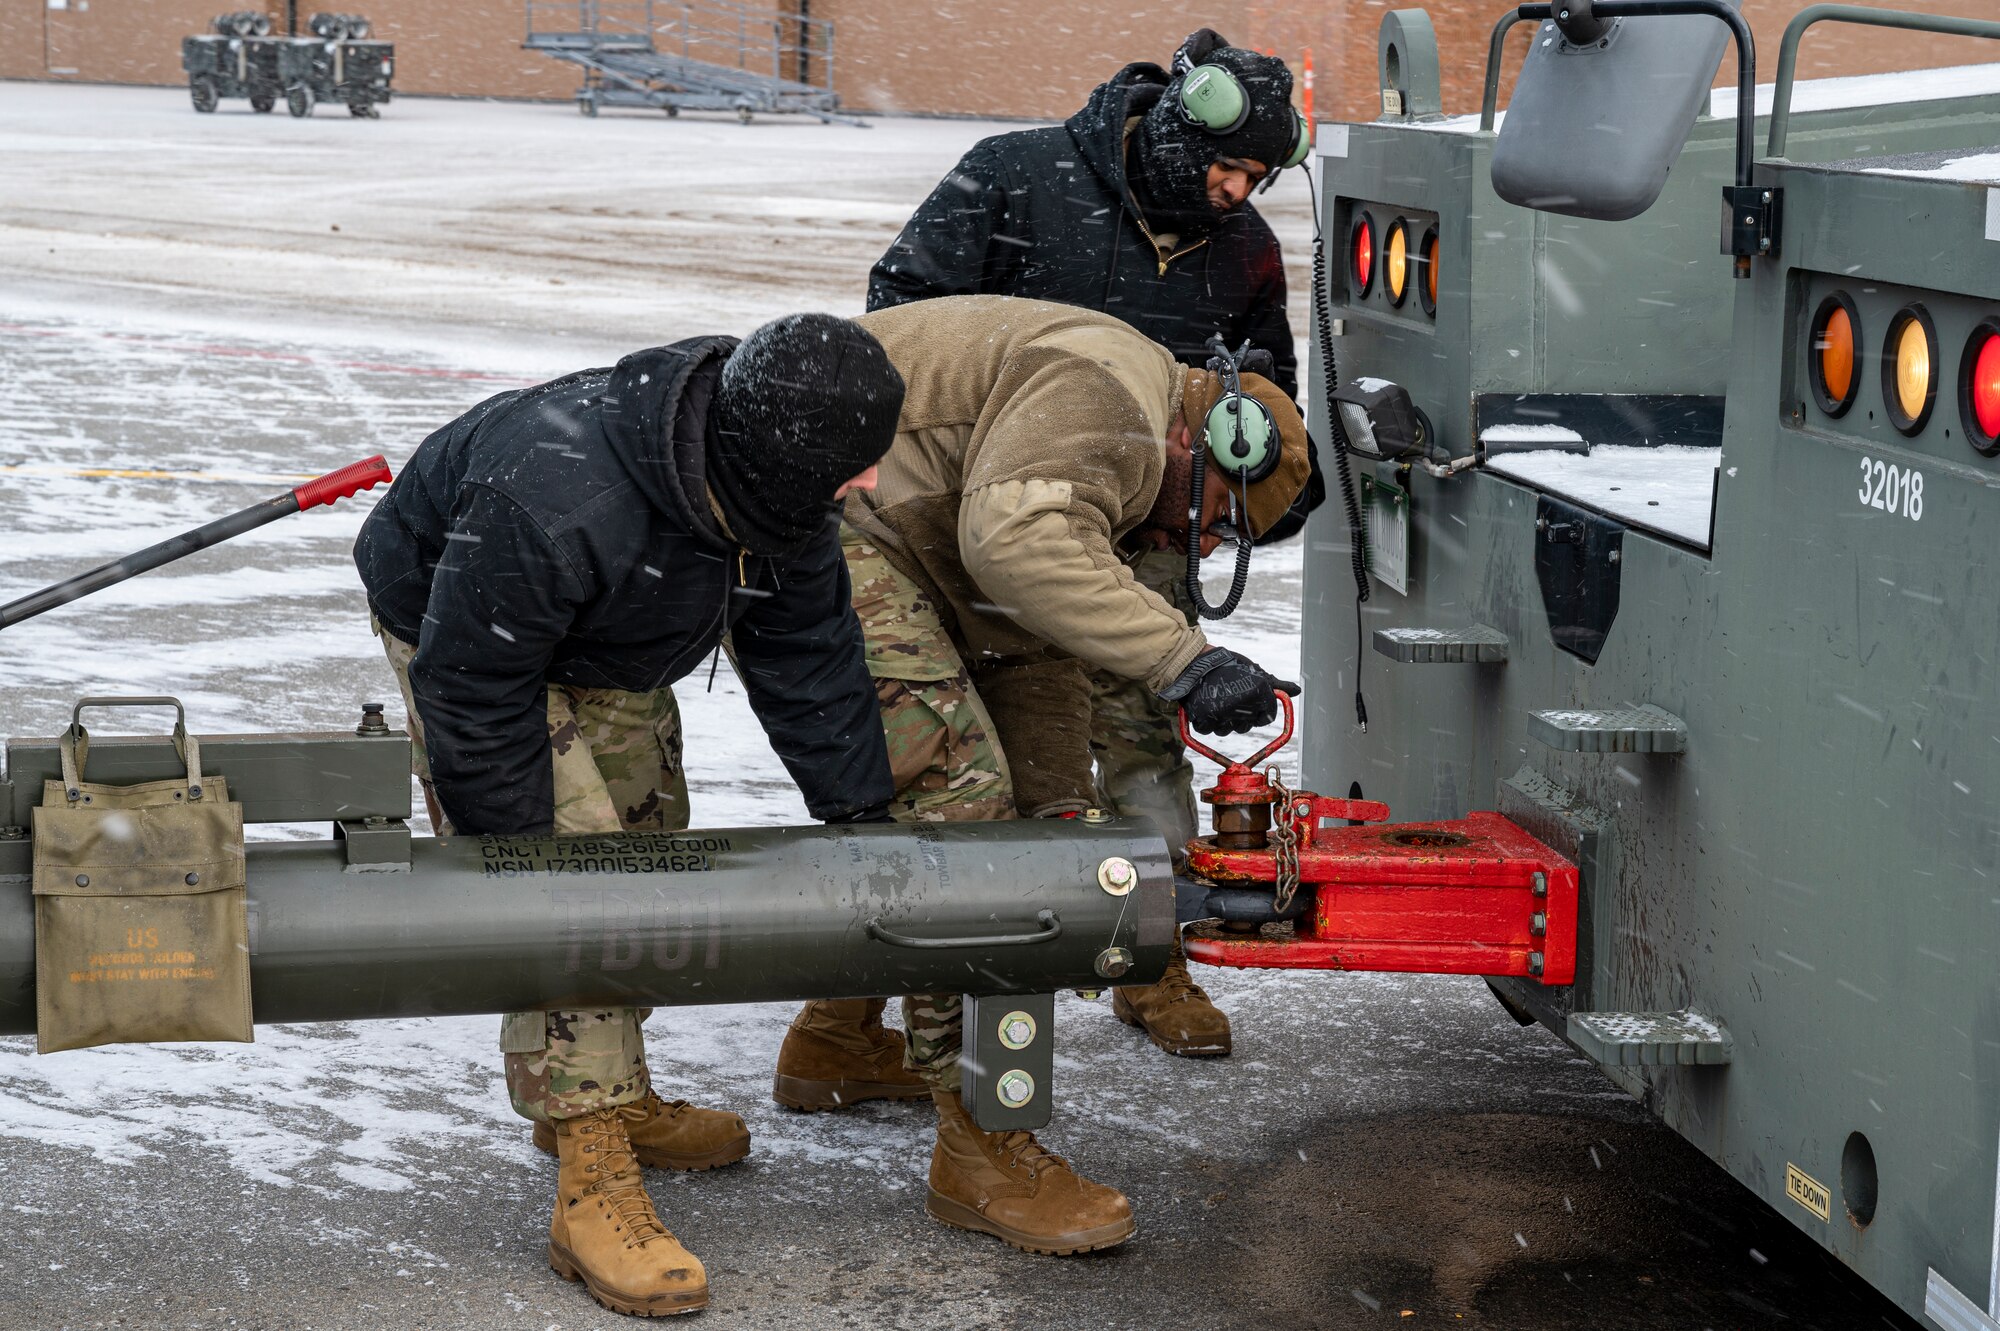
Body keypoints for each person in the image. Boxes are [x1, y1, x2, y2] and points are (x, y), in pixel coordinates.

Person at [352, 314, 904, 1318]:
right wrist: (531, 879)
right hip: (468, 633)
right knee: (578, 888)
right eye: (851, 467)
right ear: (767, 462)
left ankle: (613, 1084)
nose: (868, 483)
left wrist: (860, 811)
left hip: (608, 625)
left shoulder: (778, 495)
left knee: (650, 855)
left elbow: (807, 650)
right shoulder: (554, 496)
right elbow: (474, 693)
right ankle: (591, 1168)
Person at [778, 294, 1310, 1256]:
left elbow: (1036, 624)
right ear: (1215, 445)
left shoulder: (1129, 414)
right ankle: (981, 1150)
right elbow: (1014, 542)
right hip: (840, 533)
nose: (1191, 549)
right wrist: (1182, 659)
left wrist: (1077, 823)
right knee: (980, 848)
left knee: (1043, 822)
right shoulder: (1116, 398)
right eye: (1216, 525)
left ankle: (837, 1037)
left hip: (914, 541)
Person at [864, 28, 1324, 1059]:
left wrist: (1194, 500)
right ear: (1173, 126)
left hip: (1150, 498)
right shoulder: (1016, 177)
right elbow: (898, 313)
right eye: (1223, 163)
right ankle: (896, 988)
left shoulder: (1242, 248)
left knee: (1143, 724)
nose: (1233, 189)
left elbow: (1261, 387)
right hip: (980, 504)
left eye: (1254, 176)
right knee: (969, 739)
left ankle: (1150, 959)